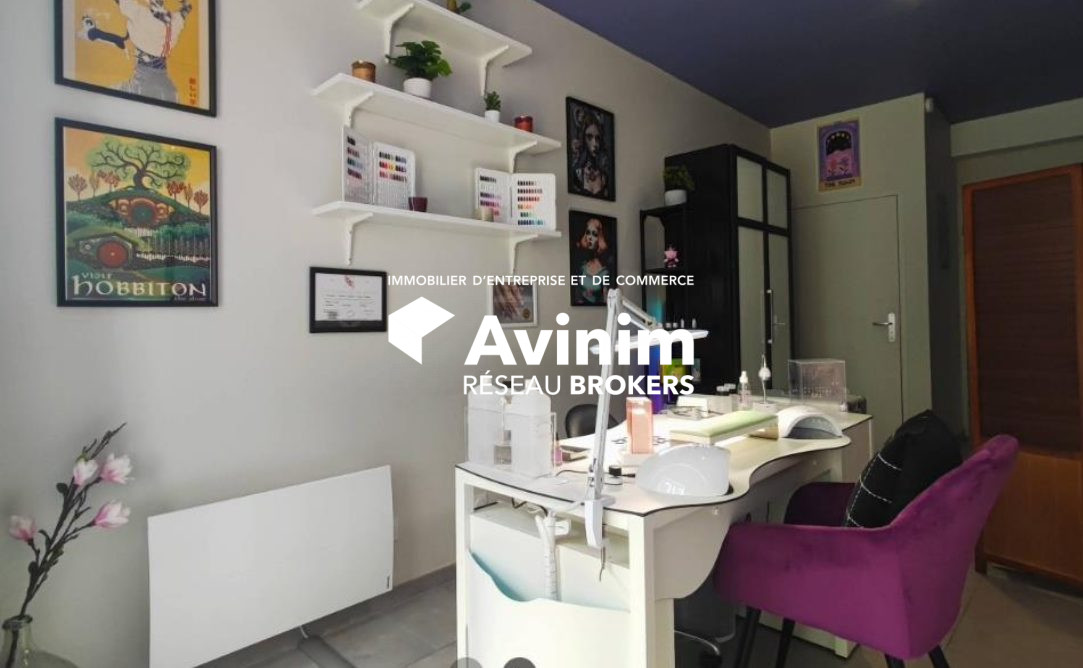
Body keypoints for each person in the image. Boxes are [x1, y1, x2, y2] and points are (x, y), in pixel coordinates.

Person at [573, 217, 613, 305]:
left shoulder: (605, 271)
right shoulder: (581, 265)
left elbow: (607, 301)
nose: (590, 237)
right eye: (588, 233)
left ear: (600, 238)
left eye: (594, 234)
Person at [572, 113, 611, 197]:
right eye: (589, 137)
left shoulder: (604, 177)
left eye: (597, 138)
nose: (595, 144)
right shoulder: (577, 174)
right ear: (583, 139)